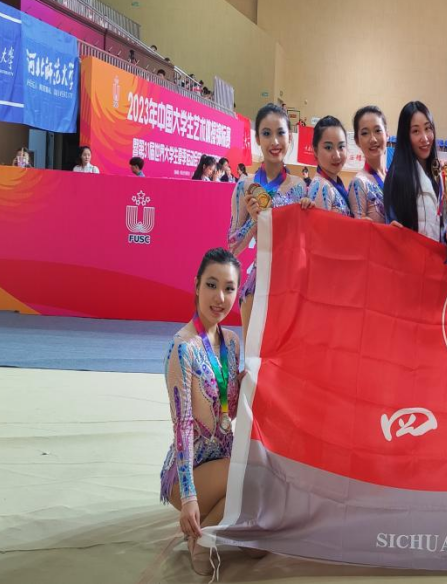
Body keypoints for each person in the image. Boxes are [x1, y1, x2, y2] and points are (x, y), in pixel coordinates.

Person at [160, 248, 242, 560]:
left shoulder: (232, 342)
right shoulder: (183, 348)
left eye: (229, 288)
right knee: (249, 475)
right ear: (196, 286)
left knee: (257, 549)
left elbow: (230, 410)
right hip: (189, 474)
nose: (219, 297)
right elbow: (181, 427)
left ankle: (208, 529)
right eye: (211, 285)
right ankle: (201, 543)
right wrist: (190, 497)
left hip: (223, 463)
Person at [227, 104, 307, 338]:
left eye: (280, 133)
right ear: (257, 139)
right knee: (255, 357)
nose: (274, 141)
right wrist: (254, 221)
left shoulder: (300, 187)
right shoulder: (245, 185)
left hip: (293, 289)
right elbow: (232, 247)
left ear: (290, 138)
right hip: (258, 285)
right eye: (266, 133)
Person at [383, 101, 443, 241]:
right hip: (411, 253)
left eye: (428, 128)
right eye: (416, 131)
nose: (425, 138)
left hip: (436, 253)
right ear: (406, 136)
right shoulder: (397, 176)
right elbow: (393, 227)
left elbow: (440, 227)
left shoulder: (437, 174)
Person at [298, 115, 352, 216]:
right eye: (328, 147)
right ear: (315, 151)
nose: (337, 156)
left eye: (341, 146)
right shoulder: (322, 187)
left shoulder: (331, 183)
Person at [348, 106, 389, 223]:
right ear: (357, 140)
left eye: (378, 130)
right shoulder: (359, 183)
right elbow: (358, 231)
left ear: (387, 135)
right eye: (365, 133)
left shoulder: (394, 178)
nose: (373, 139)